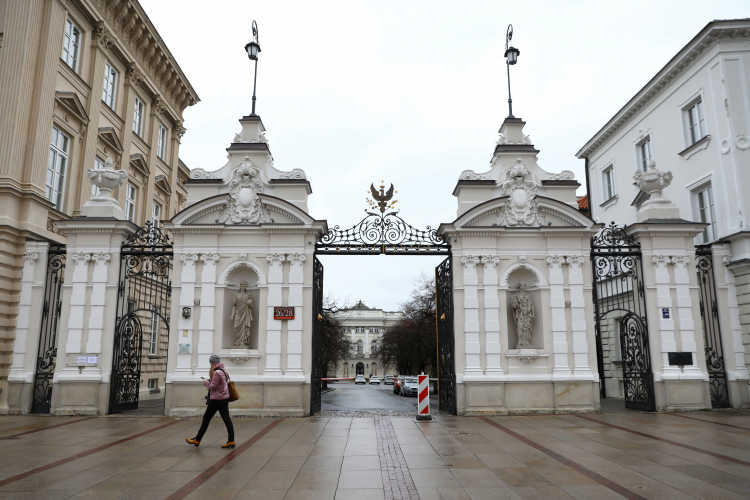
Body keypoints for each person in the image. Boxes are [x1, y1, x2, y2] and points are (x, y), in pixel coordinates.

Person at [186, 354, 235, 448]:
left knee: (206, 419)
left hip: (216, 400)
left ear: (213, 363)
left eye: (210, 363)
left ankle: (197, 440)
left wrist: (206, 382)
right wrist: (211, 380)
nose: (209, 365)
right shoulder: (223, 370)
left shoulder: (216, 372)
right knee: (227, 419)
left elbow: (213, 387)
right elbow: (220, 383)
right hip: (224, 399)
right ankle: (231, 441)